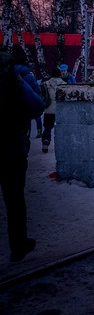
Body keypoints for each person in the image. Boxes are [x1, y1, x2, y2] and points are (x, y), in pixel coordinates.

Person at [0, 48, 46, 262]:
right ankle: (18, 245)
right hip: (12, 147)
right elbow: (37, 107)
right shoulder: (15, 79)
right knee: (14, 198)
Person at [40, 68, 61, 153]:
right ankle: (61, 144)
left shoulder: (46, 84)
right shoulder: (63, 84)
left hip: (48, 109)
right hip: (60, 110)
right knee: (61, 128)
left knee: (47, 127)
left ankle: (45, 142)